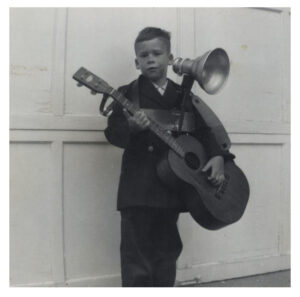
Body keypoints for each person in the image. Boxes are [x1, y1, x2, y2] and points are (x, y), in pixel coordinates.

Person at [104, 27, 234, 287]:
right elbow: (112, 133)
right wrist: (131, 126)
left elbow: (207, 131)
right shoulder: (127, 93)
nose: (150, 59)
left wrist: (218, 157)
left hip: (172, 188)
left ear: (170, 57)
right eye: (144, 55)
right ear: (136, 62)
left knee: (166, 254)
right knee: (136, 258)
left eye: (157, 53)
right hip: (137, 189)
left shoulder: (183, 95)